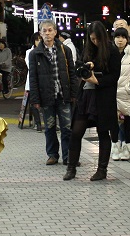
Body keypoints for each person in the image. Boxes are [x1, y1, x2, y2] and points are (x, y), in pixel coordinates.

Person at [64, 22, 122, 181]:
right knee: (76, 132)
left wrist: (98, 80)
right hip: (86, 96)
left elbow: (114, 76)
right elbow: (79, 68)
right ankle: (71, 168)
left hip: (103, 97)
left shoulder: (112, 51)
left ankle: (101, 170)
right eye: (92, 39)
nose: (95, 42)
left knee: (103, 132)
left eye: (97, 39)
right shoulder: (88, 49)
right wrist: (85, 67)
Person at [28, 19, 78, 166]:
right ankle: (52, 154)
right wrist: (35, 100)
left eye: (50, 30)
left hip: (63, 95)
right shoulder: (35, 54)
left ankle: (68, 156)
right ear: (40, 33)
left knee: (67, 128)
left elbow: (72, 73)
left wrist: (74, 94)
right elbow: (33, 78)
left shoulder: (64, 50)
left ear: (55, 32)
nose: (47, 33)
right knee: (49, 127)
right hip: (46, 97)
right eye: (44, 31)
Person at [112, 27, 130, 161]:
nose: (120, 40)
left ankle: (127, 149)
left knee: (128, 122)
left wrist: (128, 89)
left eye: (122, 37)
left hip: (127, 94)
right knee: (114, 122)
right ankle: (115, 148)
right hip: (112, 93)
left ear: (127, 39)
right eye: (117, 37)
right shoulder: (110, 53)